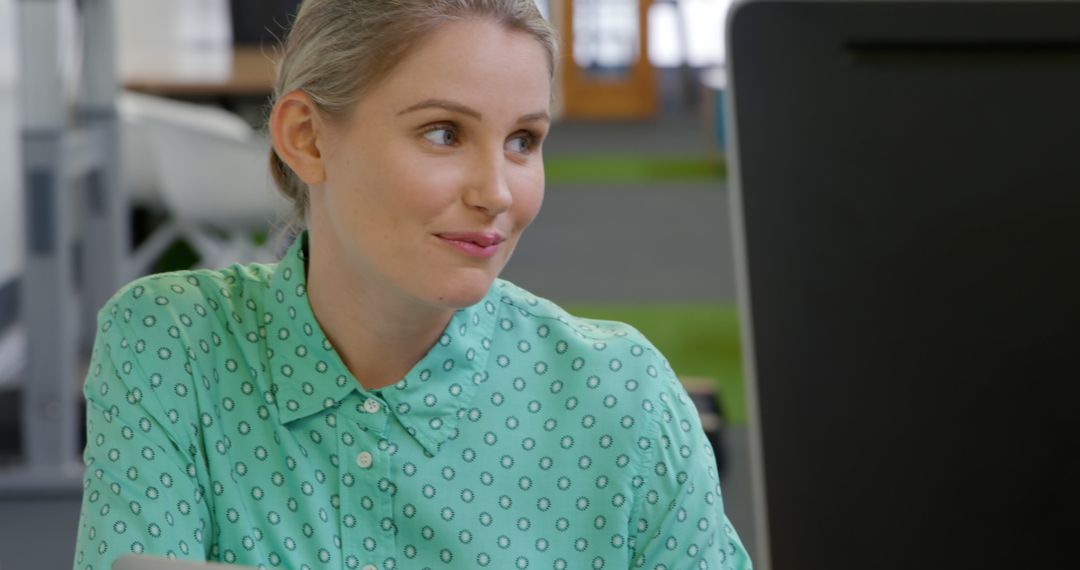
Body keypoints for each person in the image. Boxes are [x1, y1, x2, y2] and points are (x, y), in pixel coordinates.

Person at [73, 1, 752, 568]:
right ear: (307, 138)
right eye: (443, 133)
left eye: (523, 140)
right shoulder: (173, 347)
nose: (497, 193)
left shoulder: (622, 395)